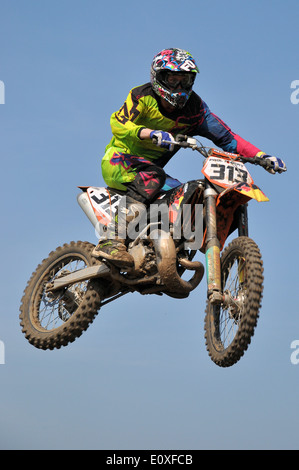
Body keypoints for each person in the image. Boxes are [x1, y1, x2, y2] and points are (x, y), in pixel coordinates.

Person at [92, 48, 286, 267]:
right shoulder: (142, 96)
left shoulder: (195, 109)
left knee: (189, 195)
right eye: (173, 79)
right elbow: (118, 123)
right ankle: (111, 241)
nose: (179, 87)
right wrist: (150, 133)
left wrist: (261, 156)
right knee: (154, 175)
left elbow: (228, 138)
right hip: (119, 162)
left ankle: (166, 252)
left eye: (185, 81)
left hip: (152, 172)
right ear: (159, 77)